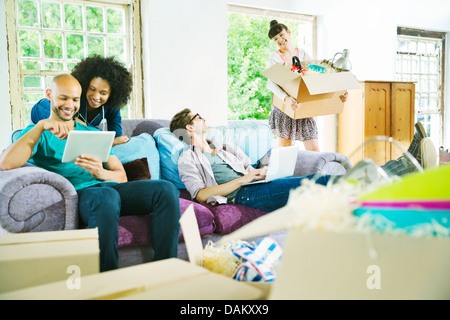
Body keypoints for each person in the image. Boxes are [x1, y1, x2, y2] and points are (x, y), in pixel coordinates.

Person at [0, 74, 181, 272]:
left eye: (75, 99)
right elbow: (7, 163)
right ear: (49, 95)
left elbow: (121, 176)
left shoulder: (92, 133)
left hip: (108, 188)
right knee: (107, 195)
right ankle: (107, 278)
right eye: (63, 98)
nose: (70, 104)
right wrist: (41, 125)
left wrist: (101, 172)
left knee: (166, 189)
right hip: (82, 195)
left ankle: (166, 268)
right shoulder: (38, 132)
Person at [169, 108, 436, 213]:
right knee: (321, 183)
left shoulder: (225, 146)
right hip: (243, 196)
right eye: (197, 117)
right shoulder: (187, 159)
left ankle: (406, 165)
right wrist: (245, 179)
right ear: (189, 129)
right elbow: (202, 195)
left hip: (256, 185)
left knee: (327, 183)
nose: (203, 118)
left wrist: (262, 171)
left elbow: (250, 170)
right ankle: (407, 165)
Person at [31, 55, 132, 146]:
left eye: (103, 93)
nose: (96, 97)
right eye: (92, 89)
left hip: (78, 136)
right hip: (43, 111)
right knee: (61, 131)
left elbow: (117, 138)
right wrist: (78, 124)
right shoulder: (74, 100)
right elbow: (70, 126)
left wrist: (83, 126)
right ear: (85, 84)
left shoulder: (112, 106)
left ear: (112, 94)